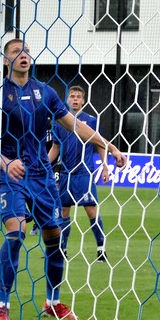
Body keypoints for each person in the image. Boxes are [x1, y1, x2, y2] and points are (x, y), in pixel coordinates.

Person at [0, 38, 128, 320]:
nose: (23, 55)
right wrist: (6, 163)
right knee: (16, 232)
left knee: (54, 240)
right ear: (6, 60)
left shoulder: (45, 93)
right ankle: (2, 303)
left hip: (42, 176)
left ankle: (52, 302)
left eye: (26, 51)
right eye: (16, 52)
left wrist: (112, 147)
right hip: (12, 175)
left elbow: (78, 126)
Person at [50, 85, 110, 263]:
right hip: (66, 173)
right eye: (72, 96)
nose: (75, 99)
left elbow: (100, 144)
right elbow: (55, 147)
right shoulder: (59, 121)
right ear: (67, 100)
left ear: (83, 100)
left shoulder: (91, 120)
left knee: (91, 210)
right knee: (64, 211)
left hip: (85, 173)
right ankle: (63, 249)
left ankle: (101, 250)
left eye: (78, 97)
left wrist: (105, 167)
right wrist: (44, 165)